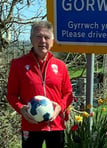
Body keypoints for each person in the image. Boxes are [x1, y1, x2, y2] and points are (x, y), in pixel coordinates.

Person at [6, 20, 73, 148]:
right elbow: (11, 94)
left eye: (47, 37)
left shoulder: (60, 66)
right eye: (38, 36)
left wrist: (60, 107)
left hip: (56, 125)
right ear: (31, 39)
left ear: (52, 42)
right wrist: (21, 109)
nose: (43, 41)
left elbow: (68, 93)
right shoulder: (18, 64)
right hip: (31, 125)